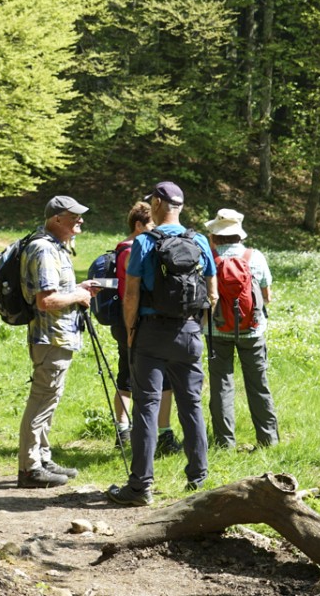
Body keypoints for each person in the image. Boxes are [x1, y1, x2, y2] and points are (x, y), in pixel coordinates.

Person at [107, 181, 216, 506]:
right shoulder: (199, 240)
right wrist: (197, 327)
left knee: (146, 408)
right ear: (179, 206)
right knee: (191, 405)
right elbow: (212, 294)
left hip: (150, 332)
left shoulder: (143, 242)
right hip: (189, 332)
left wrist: (130, 331)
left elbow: (131, 293)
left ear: (156, 203)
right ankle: (198, 480)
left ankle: (140, 488)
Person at [17, 194, 99, 488]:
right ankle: (29, 468)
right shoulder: (43, 249)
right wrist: (78, 296)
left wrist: (78, 288)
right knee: (41, 401)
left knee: (49, 400)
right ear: (56, 219)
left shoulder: (55, 247)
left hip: (59, 336)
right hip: (49, 337)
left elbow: (54, 290)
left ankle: (42, 457)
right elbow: (46, 300)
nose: (80, 220)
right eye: (74, 216)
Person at [108, 203, 180, 456]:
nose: (155, 231)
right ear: (138, 226)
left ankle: (123, 430)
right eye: (151, 226)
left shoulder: (121, 249)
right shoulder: (133, 250)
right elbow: (134, 292)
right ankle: (162, 433)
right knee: (159, 380)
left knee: (126, 374)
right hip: (138, 322)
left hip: (123, 321)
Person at [205, 208, 280, 449]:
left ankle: (224, 442)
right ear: (240, 235)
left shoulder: (208, 257)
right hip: (252, 330)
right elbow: (267, 296)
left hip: (216, 331)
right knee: (258, 384)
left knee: (221, 386)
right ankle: (268, 439)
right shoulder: (254, 257)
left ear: (215, 236)